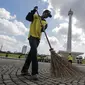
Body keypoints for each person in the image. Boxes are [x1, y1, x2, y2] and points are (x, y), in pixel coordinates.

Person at [21, 6, 52, 80]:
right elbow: (27, 18)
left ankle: (24, 70)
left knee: (31, 55)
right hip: (32, 36)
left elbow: (42, 30)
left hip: (38, 39)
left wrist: (43, 28)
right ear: (44, 13)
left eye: (48, 16)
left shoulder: (45, 22)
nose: (47, 16)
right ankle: (34, 73)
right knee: (34, 52)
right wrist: (33, 10)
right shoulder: (35, 16)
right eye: (47, 14)